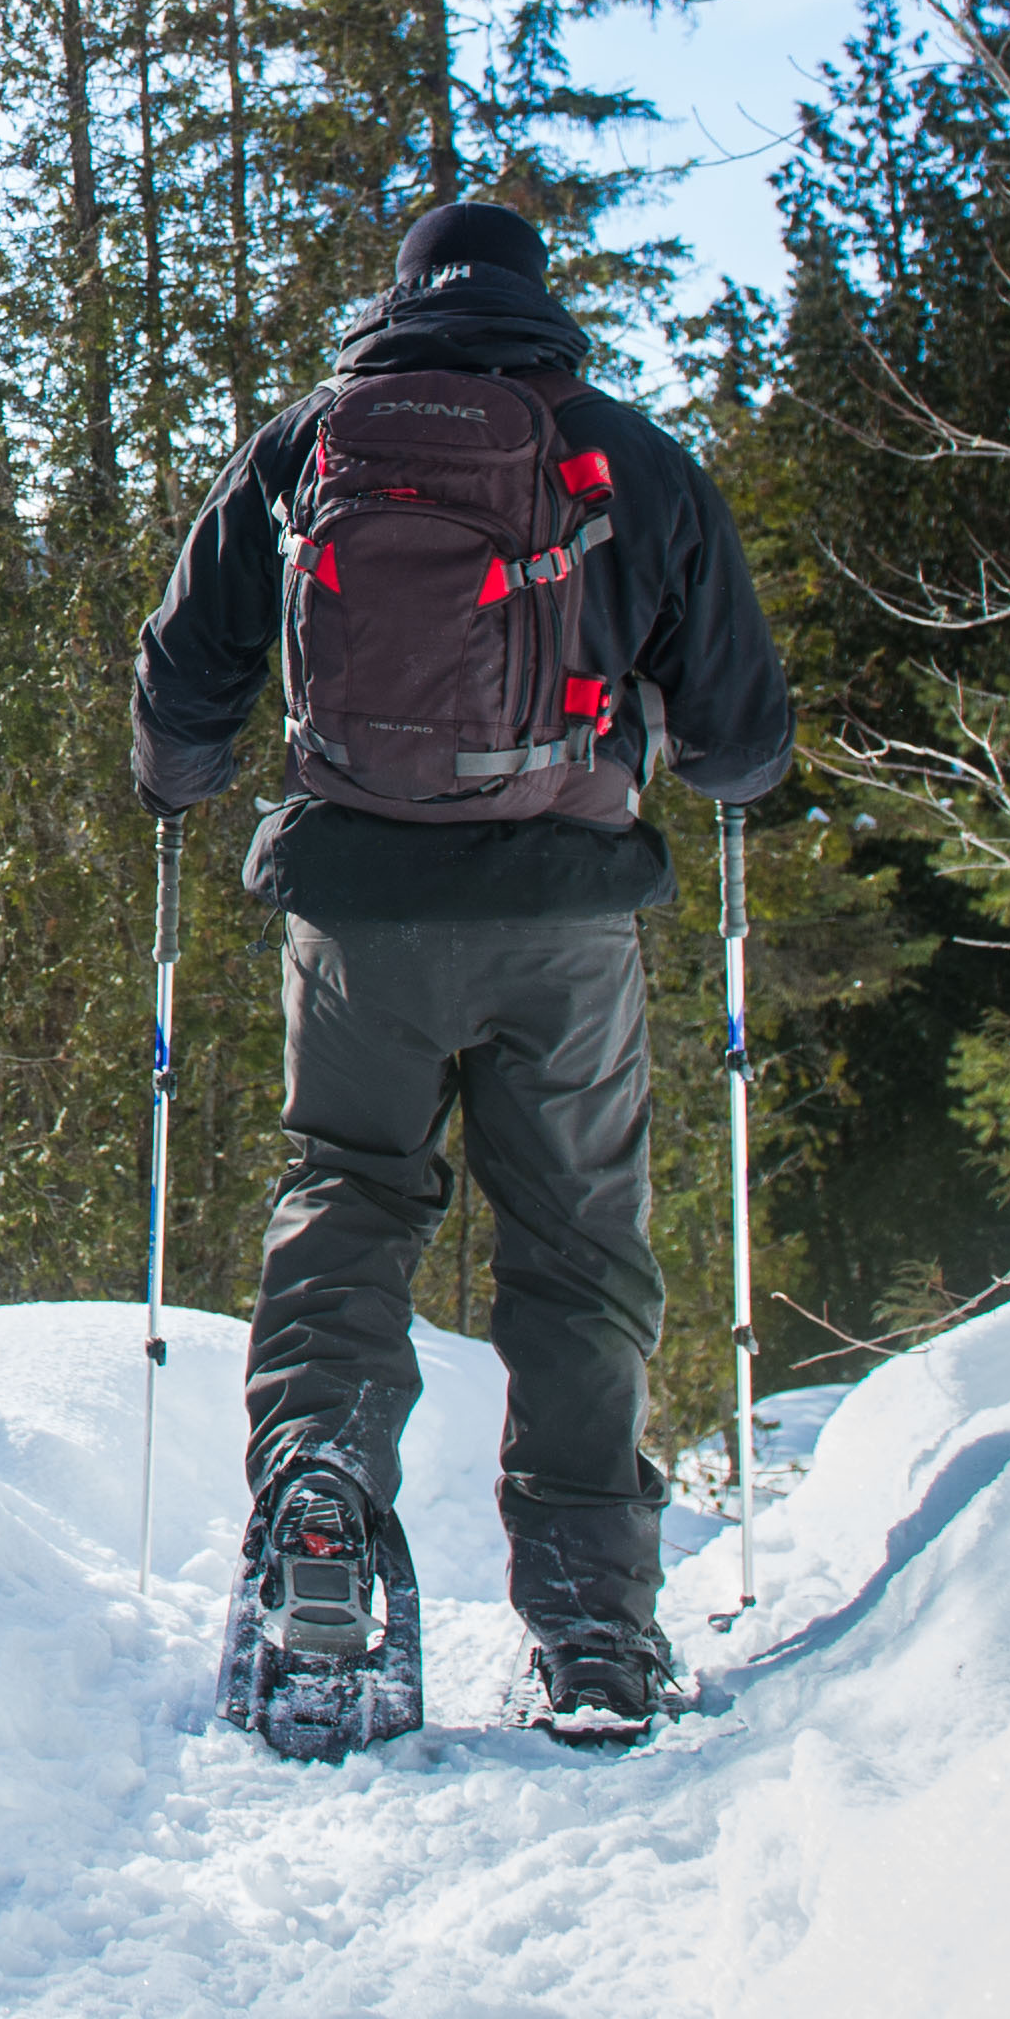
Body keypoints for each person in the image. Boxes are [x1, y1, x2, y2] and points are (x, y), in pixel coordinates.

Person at [131, 197, 789, 1747]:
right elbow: (743, 734)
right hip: (566, 924)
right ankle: (595, 1630)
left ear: (401, 298)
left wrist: (179, 782)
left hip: (356, 915)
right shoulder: (623, 454)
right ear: (537, 301)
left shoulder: (309, 445)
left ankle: (320, 1501)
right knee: (573, 1251)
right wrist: (720, 774)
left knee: (349, 1196)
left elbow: (184, 671)